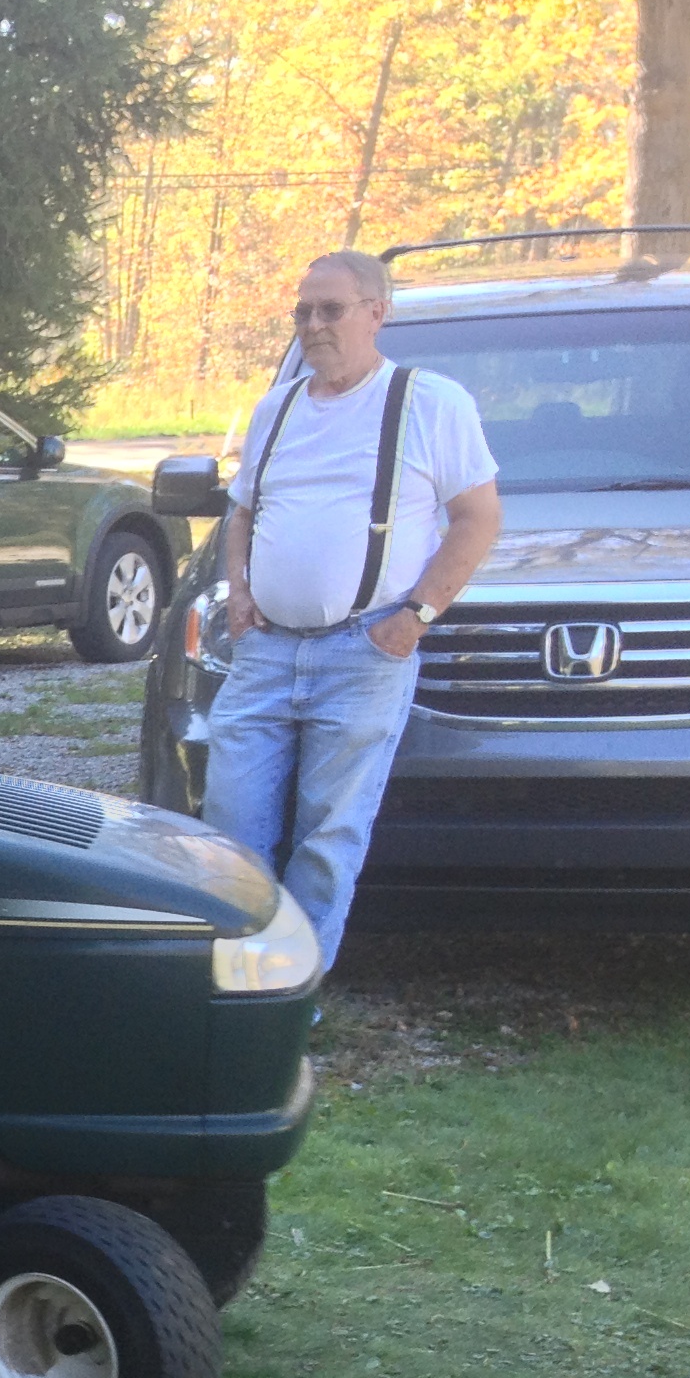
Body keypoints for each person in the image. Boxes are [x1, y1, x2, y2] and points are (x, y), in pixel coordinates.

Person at [212, 248, 503, 970]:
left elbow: (477, 519)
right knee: (231, 831)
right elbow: (242, 512)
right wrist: (240, 595)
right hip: (265, 650)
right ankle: (240, 983)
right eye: (303, 311)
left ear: (377, 313)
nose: (314, 324)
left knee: (327, 838)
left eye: (331, 310)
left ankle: (294, 992)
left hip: (364, 652)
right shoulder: (277, 407)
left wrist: (414, 620)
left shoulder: (429, 403)